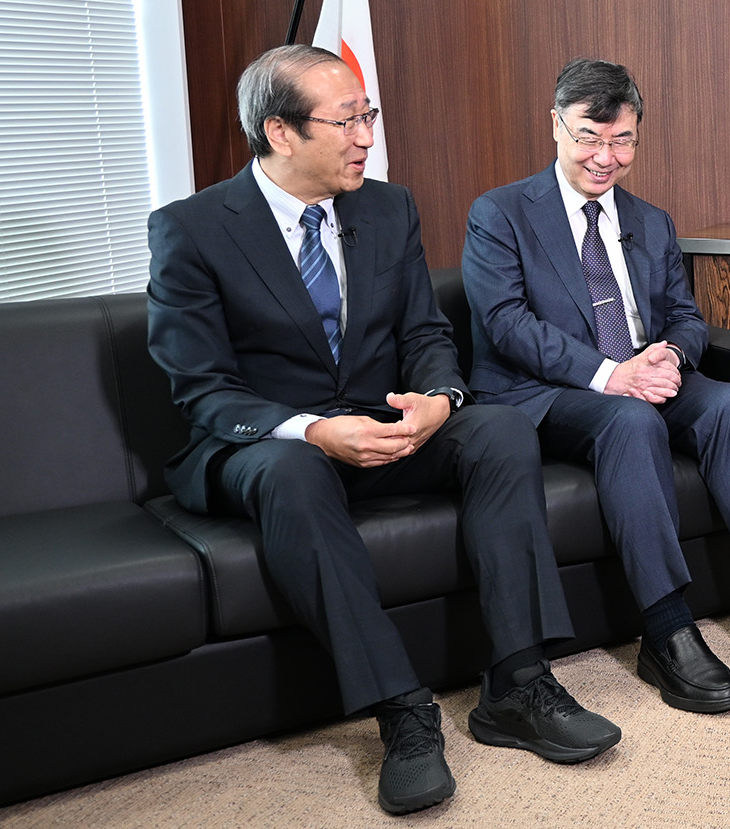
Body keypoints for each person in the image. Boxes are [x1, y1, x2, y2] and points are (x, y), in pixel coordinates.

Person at [147, 45, 620, 816]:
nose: (367, 136)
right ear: (280, 132)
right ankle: (403, 711)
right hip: (266, 443)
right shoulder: (191, 230)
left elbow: (426, 333)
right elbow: (201, 388)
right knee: (290, 469)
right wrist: (309, 430)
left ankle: (518, 682)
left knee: (499, 430)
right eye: (347, 120)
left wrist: (439, 396)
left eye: (369, 116)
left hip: (383, 428)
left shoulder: (388, 207)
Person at [460, 58, 730, 714]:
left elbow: (683, 314)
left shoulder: (649, 219)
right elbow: (505, 324)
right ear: (555, 126)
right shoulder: (500, 213)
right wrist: (610, 374)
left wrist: (671, 354)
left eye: (622, 140)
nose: (604, 156)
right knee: (630, 420)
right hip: (546, 392)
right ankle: (667, 627)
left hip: (643, 373)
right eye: (590, 135)